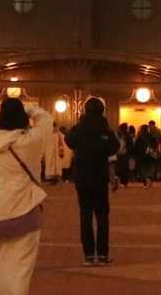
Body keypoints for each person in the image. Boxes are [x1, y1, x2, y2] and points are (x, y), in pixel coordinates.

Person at [0, 97, 51, 294]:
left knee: (0, 267)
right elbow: (46, 120)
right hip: (24, 208)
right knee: (20, 269)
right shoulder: (29, 142)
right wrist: (28, 109)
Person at [65, 97, 119, 266]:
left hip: (82, 177)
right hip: (100, 177)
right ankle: (102, 254)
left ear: (85, 110)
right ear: (102, 111)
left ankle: (88, 255)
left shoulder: (79, 129)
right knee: (102, 216)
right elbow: (114, 147)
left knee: (85, 215)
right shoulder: (105, 130)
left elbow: (69, 141)